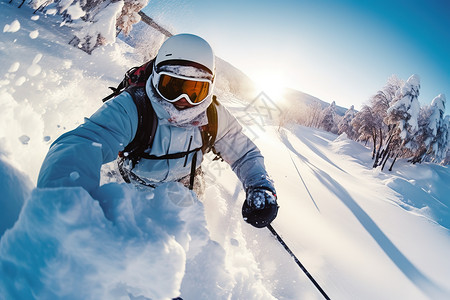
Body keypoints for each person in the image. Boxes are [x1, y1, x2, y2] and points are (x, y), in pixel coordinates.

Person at [37, 33, 278, 228]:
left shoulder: (212, 114)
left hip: (185, 187)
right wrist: (63, 210)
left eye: (196, 91)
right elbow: (83, 143)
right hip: (130, 185)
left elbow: (244, 152)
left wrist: (260, 186)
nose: (183, 100)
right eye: (172, 87)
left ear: (209, 89)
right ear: (156, 78)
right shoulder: (134, 107)